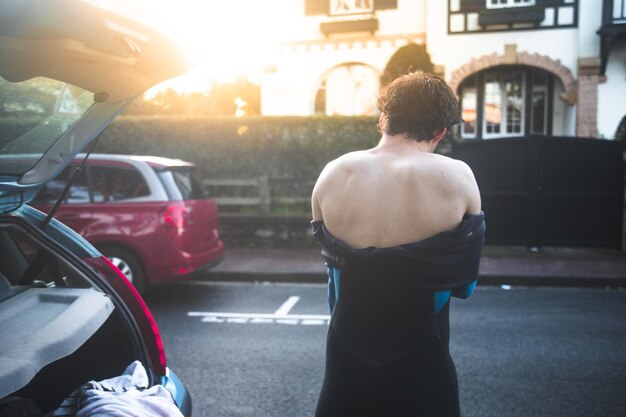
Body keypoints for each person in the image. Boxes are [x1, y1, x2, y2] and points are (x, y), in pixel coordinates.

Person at [310, 71, 485, 417]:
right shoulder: (457, 177)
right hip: (423, 361)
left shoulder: (332, 174)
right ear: (440, 131)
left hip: (345, 354)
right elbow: (464, 286)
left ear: (384, 117)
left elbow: (334, 276)